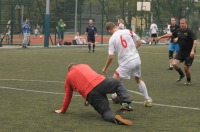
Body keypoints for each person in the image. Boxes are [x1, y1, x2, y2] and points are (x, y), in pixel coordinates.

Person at [54, 63, 133, 126]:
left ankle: (114, 118)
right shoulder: (84, 65)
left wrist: (63, 110)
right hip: (101, 82)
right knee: (118, 84)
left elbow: (68, 96)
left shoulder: (68, 77)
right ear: (76, 65)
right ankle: (125, 102)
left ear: (69, 70)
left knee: (105, 112)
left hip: (90, 94)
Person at [102, 22, 152, 107]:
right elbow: (139, 42)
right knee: (138, 79)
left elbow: (111, 57)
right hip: (136, 58)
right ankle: (147, 100)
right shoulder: (127, 31)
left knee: (113, 82)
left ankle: (121, 100)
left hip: (126, 62)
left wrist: (105, 68)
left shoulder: (112, 39)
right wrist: (131, 50)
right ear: (116, 26)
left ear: (109, 30)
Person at [156, 18, 198, 85]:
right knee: (174, 64)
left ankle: (188, 80)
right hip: (181, 52)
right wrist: (160, 37)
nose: (182, 25)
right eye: (181, 23)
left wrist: (192, 51)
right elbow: (170, 34)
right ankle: (181, 75)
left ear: (186, 23)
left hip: (189, 52)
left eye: (183, 23)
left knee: (186, 68)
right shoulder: (178, 30)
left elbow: (195, 41)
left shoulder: (190, 31)